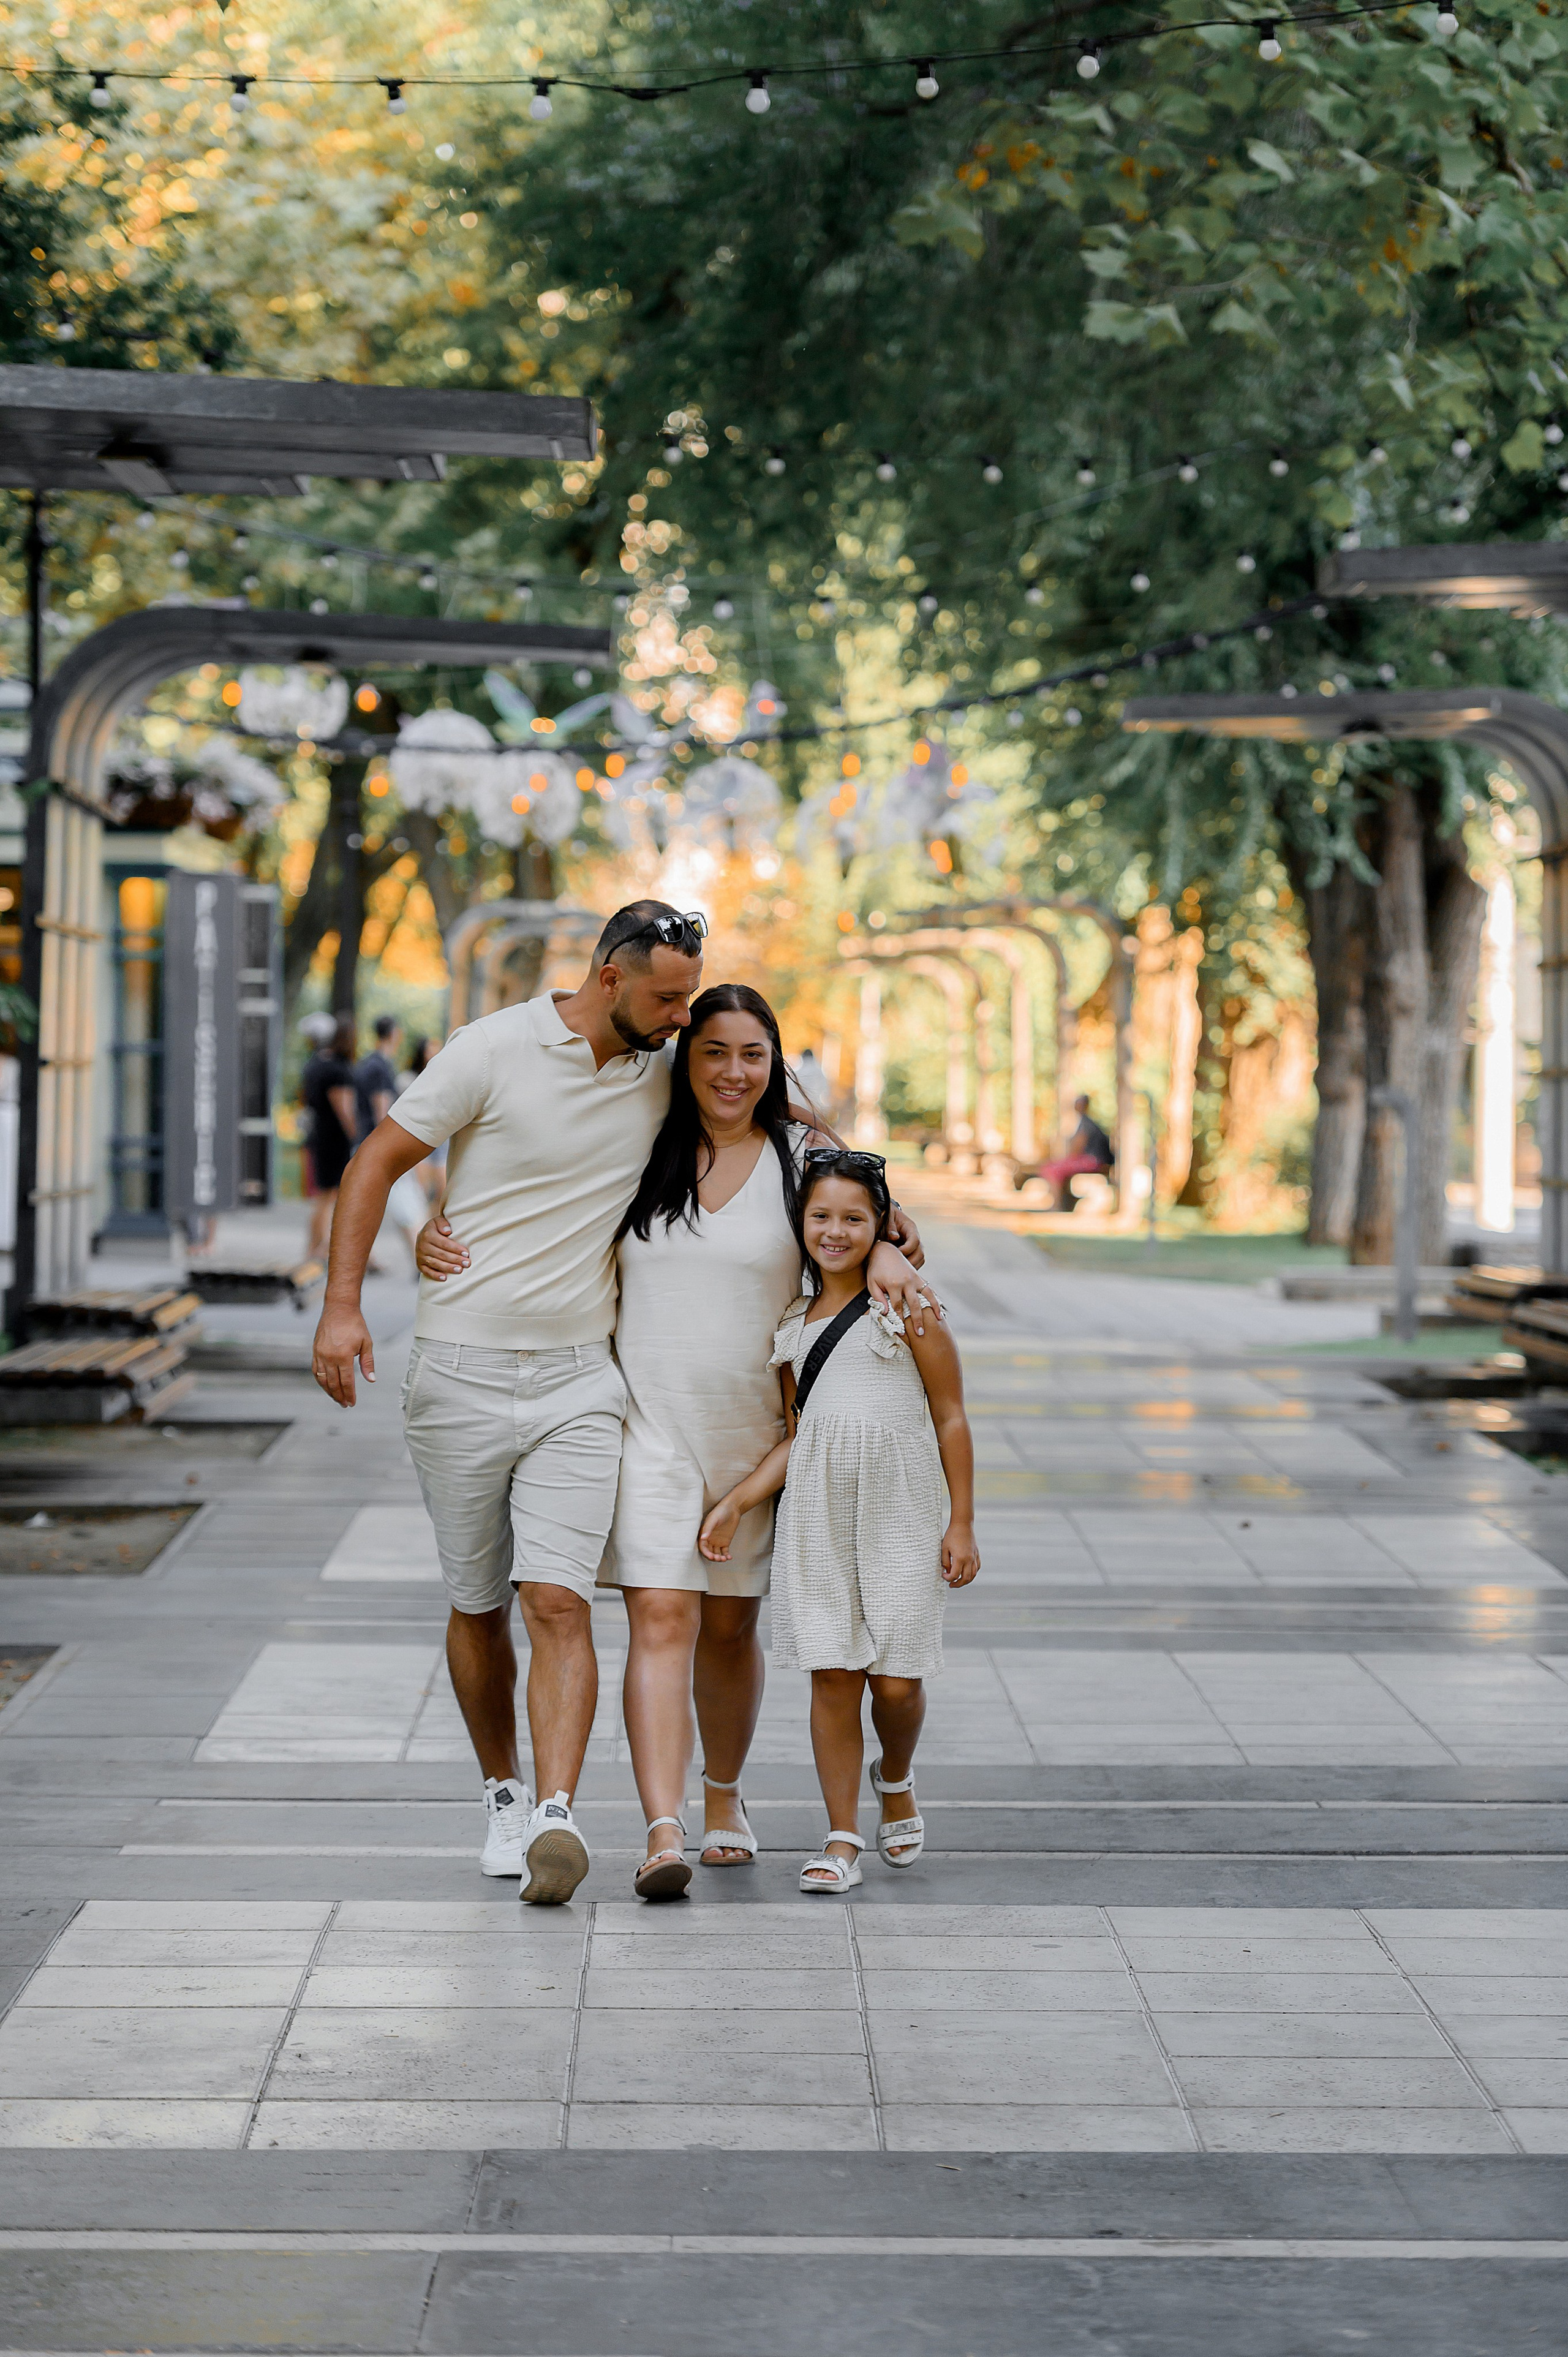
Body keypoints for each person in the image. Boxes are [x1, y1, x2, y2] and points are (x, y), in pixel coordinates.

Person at [312, 902, 933, 1906]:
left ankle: (638, 1806)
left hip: (665, 1404)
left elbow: (796, 1120)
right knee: (536, 1605)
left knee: (639, 1613)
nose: (690, 1026)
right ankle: (572, 1809)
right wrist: (360, 1291)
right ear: (612, 978)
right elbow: (403, 1161)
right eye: (673, 1002)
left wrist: (890, 1227)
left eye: (696, 1007)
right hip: (542, 1387)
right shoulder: (533, 1064)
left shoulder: (680, 1078)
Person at [699, 1148, 979, 1895]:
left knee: (896, 1684)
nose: (834, 1230)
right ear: (799, 1223)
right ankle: (841, 1836)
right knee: (832, 1672)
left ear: (880, 1224)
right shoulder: (793, 1325)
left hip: (901, 1513)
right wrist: (737, 1500)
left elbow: (951, 1416)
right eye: (819, 1215)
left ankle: (896, 1775)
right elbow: (800, 1433)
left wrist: (961, 1522)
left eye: (854, 1217)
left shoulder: (908, 1307)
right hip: (819, 1518)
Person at [301, 1015, 360, 1261]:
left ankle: (314, 1247)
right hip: (335, 1141)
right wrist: (357, 1136)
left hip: (319, 1135)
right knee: (328, 1196)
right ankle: (319, 1247)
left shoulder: (317, 1063)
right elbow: (345, 1110)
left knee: (323, 1196)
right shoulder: (338, 1070)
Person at [1035, 1093, 1115, 1211]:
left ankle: (1056, 1205)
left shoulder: (1086, 1124)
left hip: (1091, 1161)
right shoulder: (1085, 1122)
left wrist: (1065, 1158)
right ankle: (1059, 1203)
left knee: (1052, 1169)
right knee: (1052, 1167)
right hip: (1093, 1160)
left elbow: (1077, 1148)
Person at [356, 1014, 402, 1141]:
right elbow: (381, 1114)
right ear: (393, 1033)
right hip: (372, 1138)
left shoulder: (370, 1062)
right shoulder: (379, 1067)